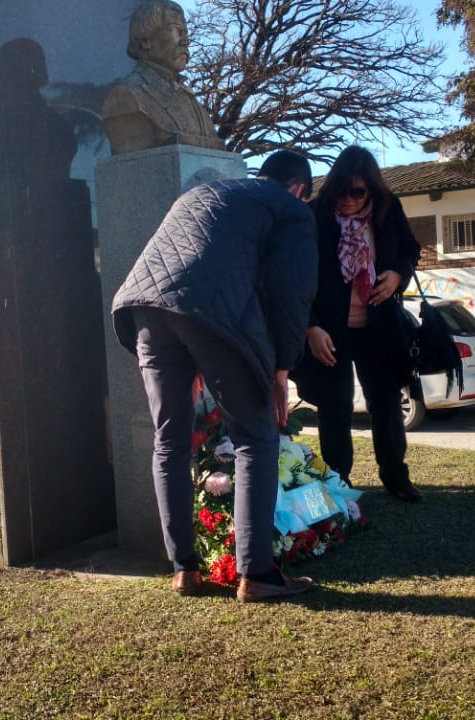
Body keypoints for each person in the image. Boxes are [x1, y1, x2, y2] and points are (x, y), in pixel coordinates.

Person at [111, 150, 317, 602]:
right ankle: (257, 574)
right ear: (300, 189)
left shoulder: (204, 194)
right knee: (255, 438)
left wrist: (189, 355)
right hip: (209, 313)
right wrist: (282, 367)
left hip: (143, 308)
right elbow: (292, 289)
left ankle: (184, 570)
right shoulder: (292, 209)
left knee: (169, 440)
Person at [292, 145, 424, 502]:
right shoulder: (315, 215)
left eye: (357, 192)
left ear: (371, 190)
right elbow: (297, 275)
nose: (348, 200)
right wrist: (310, 326)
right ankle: (339, 485)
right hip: (329, 329)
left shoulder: (387, 210)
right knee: (335, 406)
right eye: (341, 191)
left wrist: (397, 275)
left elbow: (410, 250)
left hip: (378, 326)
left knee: (386, 402)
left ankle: (396, 478)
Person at [100, 0, 223, 155]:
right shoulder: (126, 95)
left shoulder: (193, 102)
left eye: (185, 33)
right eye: (176, 31)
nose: (186, 41)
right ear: (146, 41)